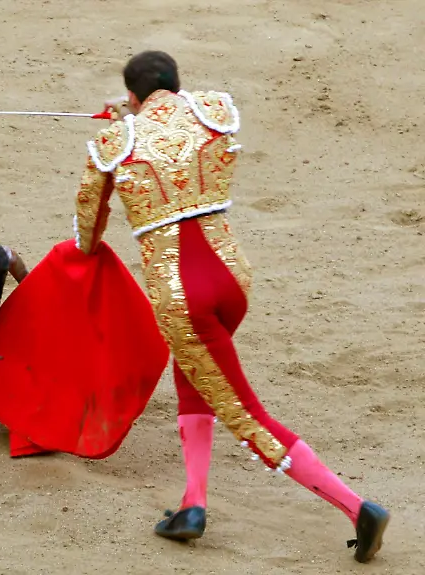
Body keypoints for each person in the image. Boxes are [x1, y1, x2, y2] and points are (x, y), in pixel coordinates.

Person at [72, 50, 390, 563]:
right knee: (195, 375)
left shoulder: (115, 143)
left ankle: (357, 509)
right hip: (231, 278)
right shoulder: (211, 109)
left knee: (246, 415)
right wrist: (138, 114)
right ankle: (192, 503)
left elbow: (88, 225)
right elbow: (177, 118)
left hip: (181, 297)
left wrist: (125, 124)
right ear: (176, 84)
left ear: (132, 95)